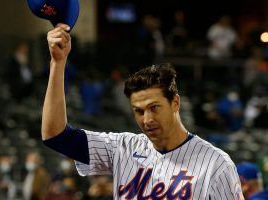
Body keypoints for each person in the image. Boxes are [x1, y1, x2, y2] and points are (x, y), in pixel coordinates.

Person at [41, 23, 244, 199]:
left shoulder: (216, 164)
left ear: (175, 103)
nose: (147, 119)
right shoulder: (122, 148)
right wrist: (57, 63)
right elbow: (55, 136)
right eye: (139, 111)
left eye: (154, 108)